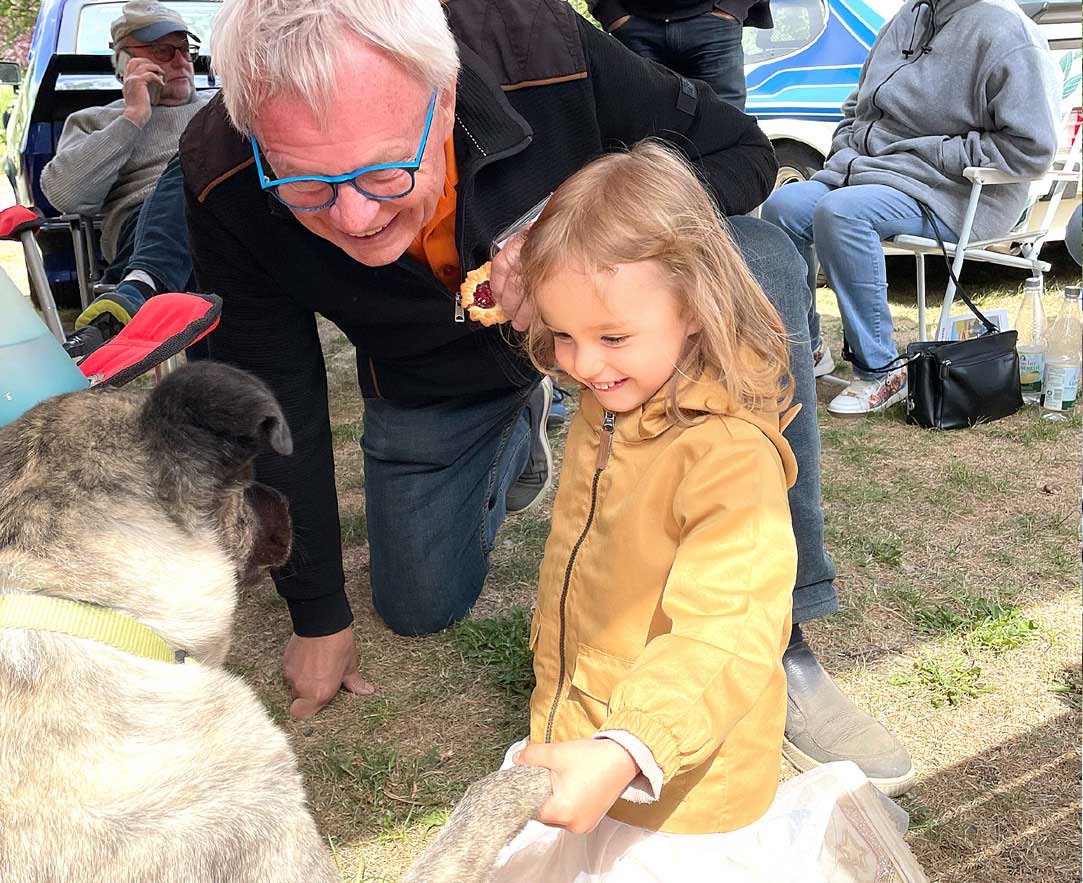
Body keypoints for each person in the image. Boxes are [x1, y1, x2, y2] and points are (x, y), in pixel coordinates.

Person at [180, 0, 912, 793]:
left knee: (756, 254)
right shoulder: (217, 167)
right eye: (307, 185)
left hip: (602, 324)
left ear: (445, 96)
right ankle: (516, 434)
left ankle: (783, 641)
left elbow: (740, 152)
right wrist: (316, 609)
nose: (355, 216)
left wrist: (570, 230)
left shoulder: (540, 41)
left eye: (385, 169)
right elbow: (269, 395)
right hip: (432, 380)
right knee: (416, 603)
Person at [491, 142, 925, 881]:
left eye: (610, 337)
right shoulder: (611, 402)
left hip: (679, 788)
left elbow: (724, 632)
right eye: (563, 335)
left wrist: (631, 745)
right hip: (593, 730)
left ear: (693, 306)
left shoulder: (728, 456)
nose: (582, 364)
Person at [761, 0, 1060, 417]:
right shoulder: (907, 18)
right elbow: (858, 104)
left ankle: (882, 368)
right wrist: (848, 141)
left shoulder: (1007, 32)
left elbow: (1032, 149)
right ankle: (806, 348)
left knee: (841, 212)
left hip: (954, 191)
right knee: (782, 207)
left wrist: (936, 152)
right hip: (869, 171)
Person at [39, 0, 208, 338]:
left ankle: (140, 288)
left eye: (186, 50)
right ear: (124, 62)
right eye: (164, 50)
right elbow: (64, 195)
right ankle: (145, 280)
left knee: (199, 164)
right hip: (143, 230)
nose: (181, 61)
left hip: (229, 218)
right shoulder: (94, 120)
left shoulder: (218, 109)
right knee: (191, 166)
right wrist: (133, 117)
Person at [587, 0, 770, 110]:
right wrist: (611, 13)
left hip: (715, 25)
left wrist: (733, 7)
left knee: (729, 133)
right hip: (635, 26)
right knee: (644, 140)